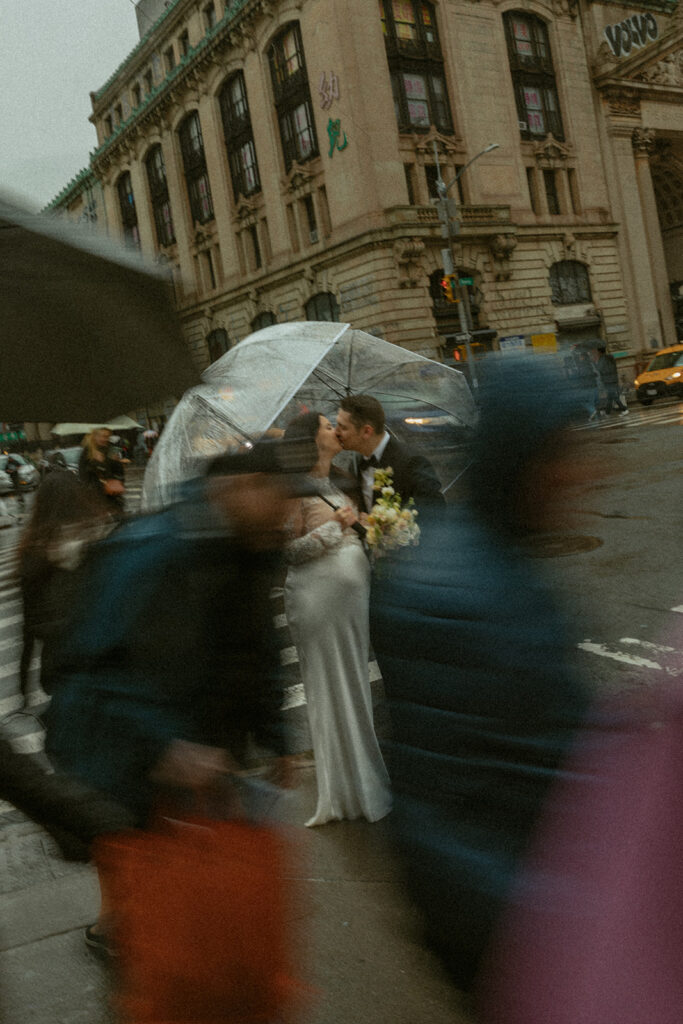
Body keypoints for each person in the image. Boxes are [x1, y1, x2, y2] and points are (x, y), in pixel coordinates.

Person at [369, 354, 591, 997]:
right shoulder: (457, 596)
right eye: (561, 456)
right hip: (508, 943)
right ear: (521, 461)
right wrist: (568, 918)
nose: (580, 476)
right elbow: (441, 817)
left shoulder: (507, 565)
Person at [45, 439, 305, 951]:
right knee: (162, 935)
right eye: (281, 499)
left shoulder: (253, 546)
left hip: (207, 771)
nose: (288, 516)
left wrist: (278, 735)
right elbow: (86, 672)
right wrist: (168, 746)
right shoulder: (149, 550)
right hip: (139, 773)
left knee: (213, 926)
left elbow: (259, 643)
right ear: (243, 489)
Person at [283, 412, 391, 827]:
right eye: (327, 426)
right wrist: (335, 529)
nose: (335, 430)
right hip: (318, 600)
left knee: (355, 689)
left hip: (347, 600)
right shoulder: (294, 487)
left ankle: (362, 783)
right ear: (312, 440)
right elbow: (288, 550)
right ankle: (345, 792)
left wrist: (370, 525)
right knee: (332, 692)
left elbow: (357, 528)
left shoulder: (339, 478)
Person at [16, 471, 112, 707]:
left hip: (60, 664)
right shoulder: (101, 540)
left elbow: (29, 625)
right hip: (103, 656)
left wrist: (23, 682)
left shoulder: (33, 552)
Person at [335, 394, 444, 513]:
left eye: (343, 427)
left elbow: (435, 513)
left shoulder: (412, 463)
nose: (336, 432)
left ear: (367, 431)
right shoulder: (356, 463)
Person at [78, 427, 126, 514]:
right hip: (97, 498)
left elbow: (119, 470)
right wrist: (98, 463)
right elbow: (84, 476)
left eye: (107, 436)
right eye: (102, 436)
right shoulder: (87, 453)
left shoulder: (111, 449)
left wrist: (118, 481)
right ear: (95, 436)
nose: (105, 439)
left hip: (114, 496)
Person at [594, 344, 628, 414]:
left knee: (613, 396)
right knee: (610, 396)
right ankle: (607, 411)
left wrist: (595, 363)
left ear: (599, 352)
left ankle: (623, 408)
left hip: (607, 380)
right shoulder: (610, 357)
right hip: (613, 379)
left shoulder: (602, 359)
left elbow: (600, 369)